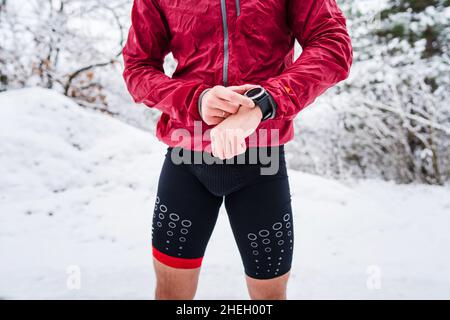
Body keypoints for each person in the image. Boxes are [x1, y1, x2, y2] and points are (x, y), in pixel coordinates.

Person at [123, 0, 352, 300]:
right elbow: (138, 67)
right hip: (187, 156)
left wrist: (265, 102)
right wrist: (196, 99)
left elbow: (332, 45)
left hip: (261, 160)